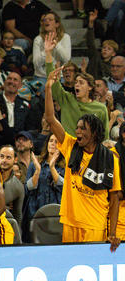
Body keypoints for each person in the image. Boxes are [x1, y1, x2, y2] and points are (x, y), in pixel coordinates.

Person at [44, 64, 121, 247]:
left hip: (95, 224)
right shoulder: (71, 146)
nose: (77, 132)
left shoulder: (110, 158)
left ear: (94, 133)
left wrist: (112, 233)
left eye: (82, 129)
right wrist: (48, 88)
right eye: (77, 128)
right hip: (71, 222)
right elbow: (50, 119)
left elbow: (115, 197)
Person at [0, 145, 25, 225]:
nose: (4, 160)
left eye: (8, 157)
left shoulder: (18, 186)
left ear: (15, 160)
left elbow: (18, 216)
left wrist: (18, 236)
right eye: (2, 156)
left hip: (4, 226)